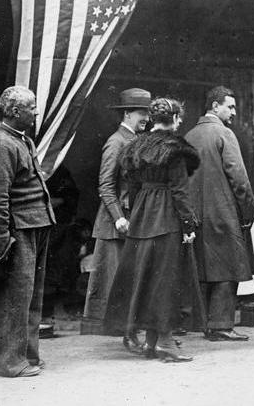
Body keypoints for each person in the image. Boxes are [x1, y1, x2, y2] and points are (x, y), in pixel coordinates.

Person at [104, 98, 202, 362]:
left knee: (146, 279)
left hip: (142, 215)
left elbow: (132, 186)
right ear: (175, 120)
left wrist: (138, 213)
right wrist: (188, 225)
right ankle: (166, 343)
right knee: (166, 280)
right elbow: (180, 192)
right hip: (167, 216)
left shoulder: (136, 146)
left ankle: (151, 342)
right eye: (180, 119)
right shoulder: (175, 150)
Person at [0, 86, 56, 377]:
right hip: (15, 230)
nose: (36, 112)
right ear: (14, 111)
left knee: (29, 297)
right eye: (32, 107)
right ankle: (9, 363)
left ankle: (27, 356)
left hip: (34, 224)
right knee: (11, 298)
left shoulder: (21, 141)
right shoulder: (0, 145)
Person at [185, 86, 254, 342]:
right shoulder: (224, 134)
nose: (234, 112)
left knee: (204, 268)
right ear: (215, 106)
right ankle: (221, 325)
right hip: (223, 211)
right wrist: (249, 211)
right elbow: (239, 178)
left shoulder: (189, 135)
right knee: (228, 266)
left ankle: (205, 323)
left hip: (195, 213)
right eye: (230, 106)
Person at [81, 88, 151, 338]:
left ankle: (128, 326)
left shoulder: (135, 140)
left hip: (133, 219)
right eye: (142, 112)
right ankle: (115, 328)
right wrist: (118, 217)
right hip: (116, 223)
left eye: (148, 112)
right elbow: (106, 186)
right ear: (127, 113)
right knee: (112, 279)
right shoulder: (116, 142)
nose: (146, 117)